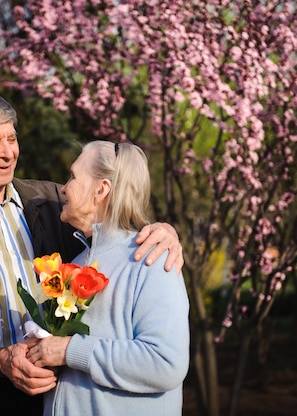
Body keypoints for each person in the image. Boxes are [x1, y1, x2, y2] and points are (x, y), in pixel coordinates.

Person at [0, 90, 184, 416]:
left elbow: (110, 232)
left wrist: (159, 230)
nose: (8, 153)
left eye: (11, 138)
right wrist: (0, 360)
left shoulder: (50, 202)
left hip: (51, 398)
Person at [27, 141, 190, 416]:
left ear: (101, 190)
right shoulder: (76, 262)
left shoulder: (152, 259)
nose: (63, 188)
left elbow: (165, 363)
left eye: (73, 177)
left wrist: (69, 350)